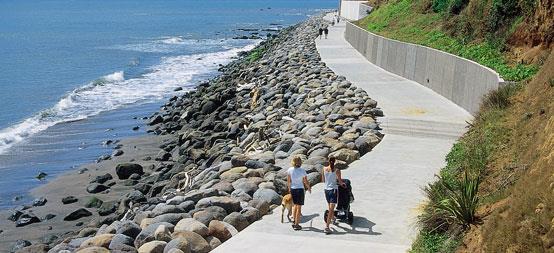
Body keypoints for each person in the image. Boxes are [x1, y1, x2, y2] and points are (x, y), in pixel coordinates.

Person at [321, 156, 345, 234]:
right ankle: (327, 227)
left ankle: (333, 218)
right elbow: (340, 182)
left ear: (328, 161)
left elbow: (323, 180)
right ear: (334, 161)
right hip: (333, 190)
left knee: (330, 207)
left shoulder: (324, 169)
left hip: (326, 190)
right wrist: (343, 184)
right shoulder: (337, 170)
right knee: (331, 209)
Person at [287, 155, 311, 230]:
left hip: (293, 189)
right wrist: (309, 188)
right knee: (299, 207)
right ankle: (296, 225)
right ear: (300, 162)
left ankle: (294, 221)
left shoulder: (289, 170)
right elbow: (305, 181)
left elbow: (288, 181)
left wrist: (289, 189)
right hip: (300, 190)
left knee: (295, 206)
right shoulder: (302, 171)